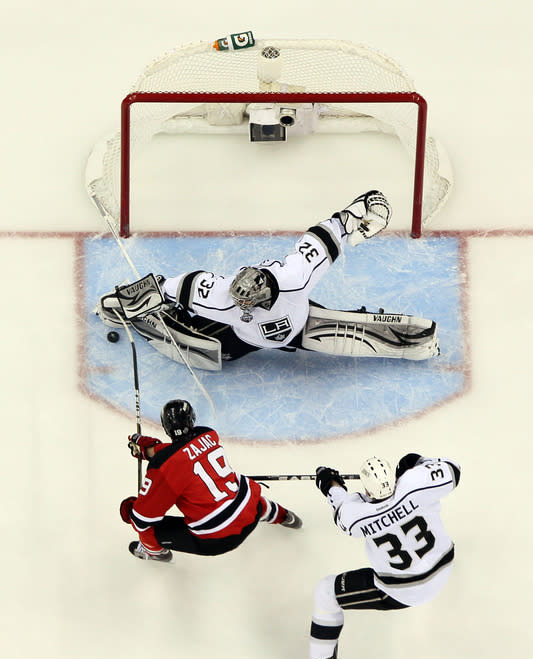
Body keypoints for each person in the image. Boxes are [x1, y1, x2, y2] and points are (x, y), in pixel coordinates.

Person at [97, 191, 439, 367]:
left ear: (263, 294)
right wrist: (124, 302)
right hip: (244, 340)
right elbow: (167, 286)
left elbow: (324, 235)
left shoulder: (294, 276)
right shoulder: (219, 294)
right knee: (214, 355)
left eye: (247, 302)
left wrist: (352, 215)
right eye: (238, 300)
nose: (240, 304)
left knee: (335, 327)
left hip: (302, 322)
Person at [289, 453, 460, 659]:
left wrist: (329, 482)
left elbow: (339, 503)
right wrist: (416, 462)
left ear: (368, 491)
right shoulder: (416, 484)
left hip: (403, 591)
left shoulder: (356, 514)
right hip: (443, 567)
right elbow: (453, 469)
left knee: (327, 591)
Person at [120, 398, 302, 562]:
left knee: (146, 529)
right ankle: (285, 516)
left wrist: (131, 511)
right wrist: (153, 450)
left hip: (218, 540)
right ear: (192, 419)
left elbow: (143, 518)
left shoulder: (163, 467)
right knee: (243, 496)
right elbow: (183, 452)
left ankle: (155, 553)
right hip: (252, 513)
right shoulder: (208, 434)